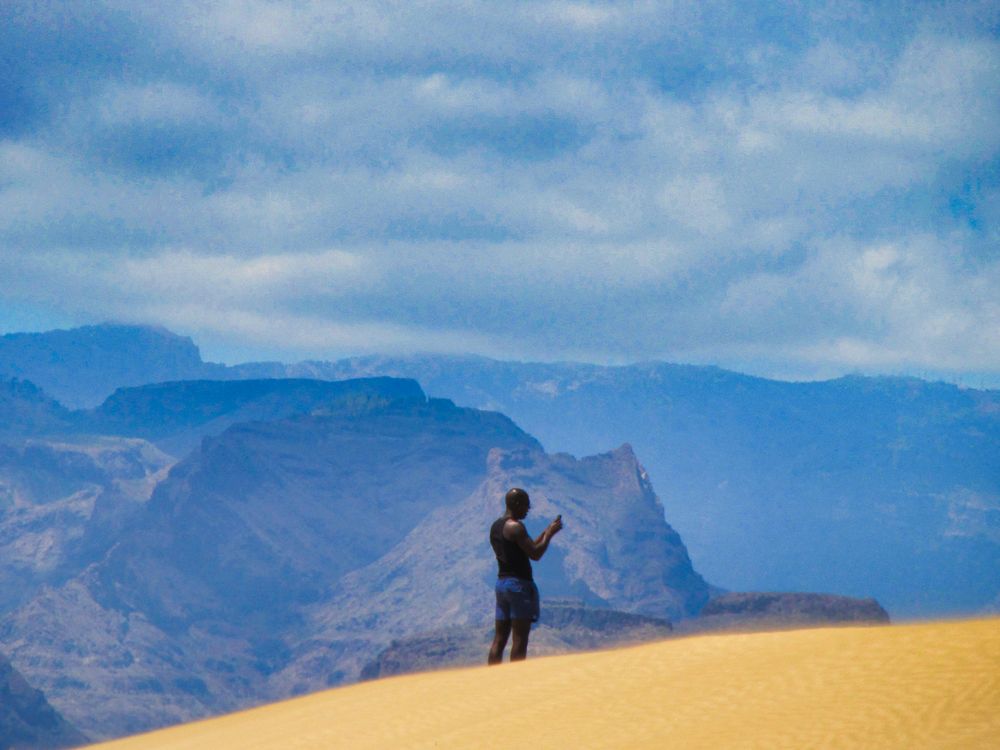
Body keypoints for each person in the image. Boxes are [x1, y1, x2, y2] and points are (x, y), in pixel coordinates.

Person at [487, 487, 563, 664]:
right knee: (520, 639)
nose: (528, 509)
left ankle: (490, 679)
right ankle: (515, 679)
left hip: (502, 585)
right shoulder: (515, 527)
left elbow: (527, 547)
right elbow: (535, 554)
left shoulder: (496, 527)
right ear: (516, 504)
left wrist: (545, 532)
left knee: (499, 639)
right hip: (518, 586)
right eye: (526, 506)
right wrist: (550, 535)